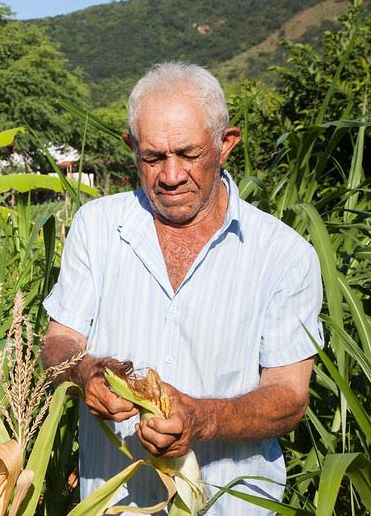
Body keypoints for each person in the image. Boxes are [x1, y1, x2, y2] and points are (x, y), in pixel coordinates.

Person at [41, 62, 323, 514]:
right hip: (113, 503)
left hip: (233, 505)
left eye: (188, 155)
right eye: (152, 158)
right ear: (131, 147)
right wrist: (85, 373)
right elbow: (58, 342)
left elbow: (289, 399)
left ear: (225, 144)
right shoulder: (96, 228)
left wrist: (203, 419)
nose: (170, 176)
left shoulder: (284, 255)